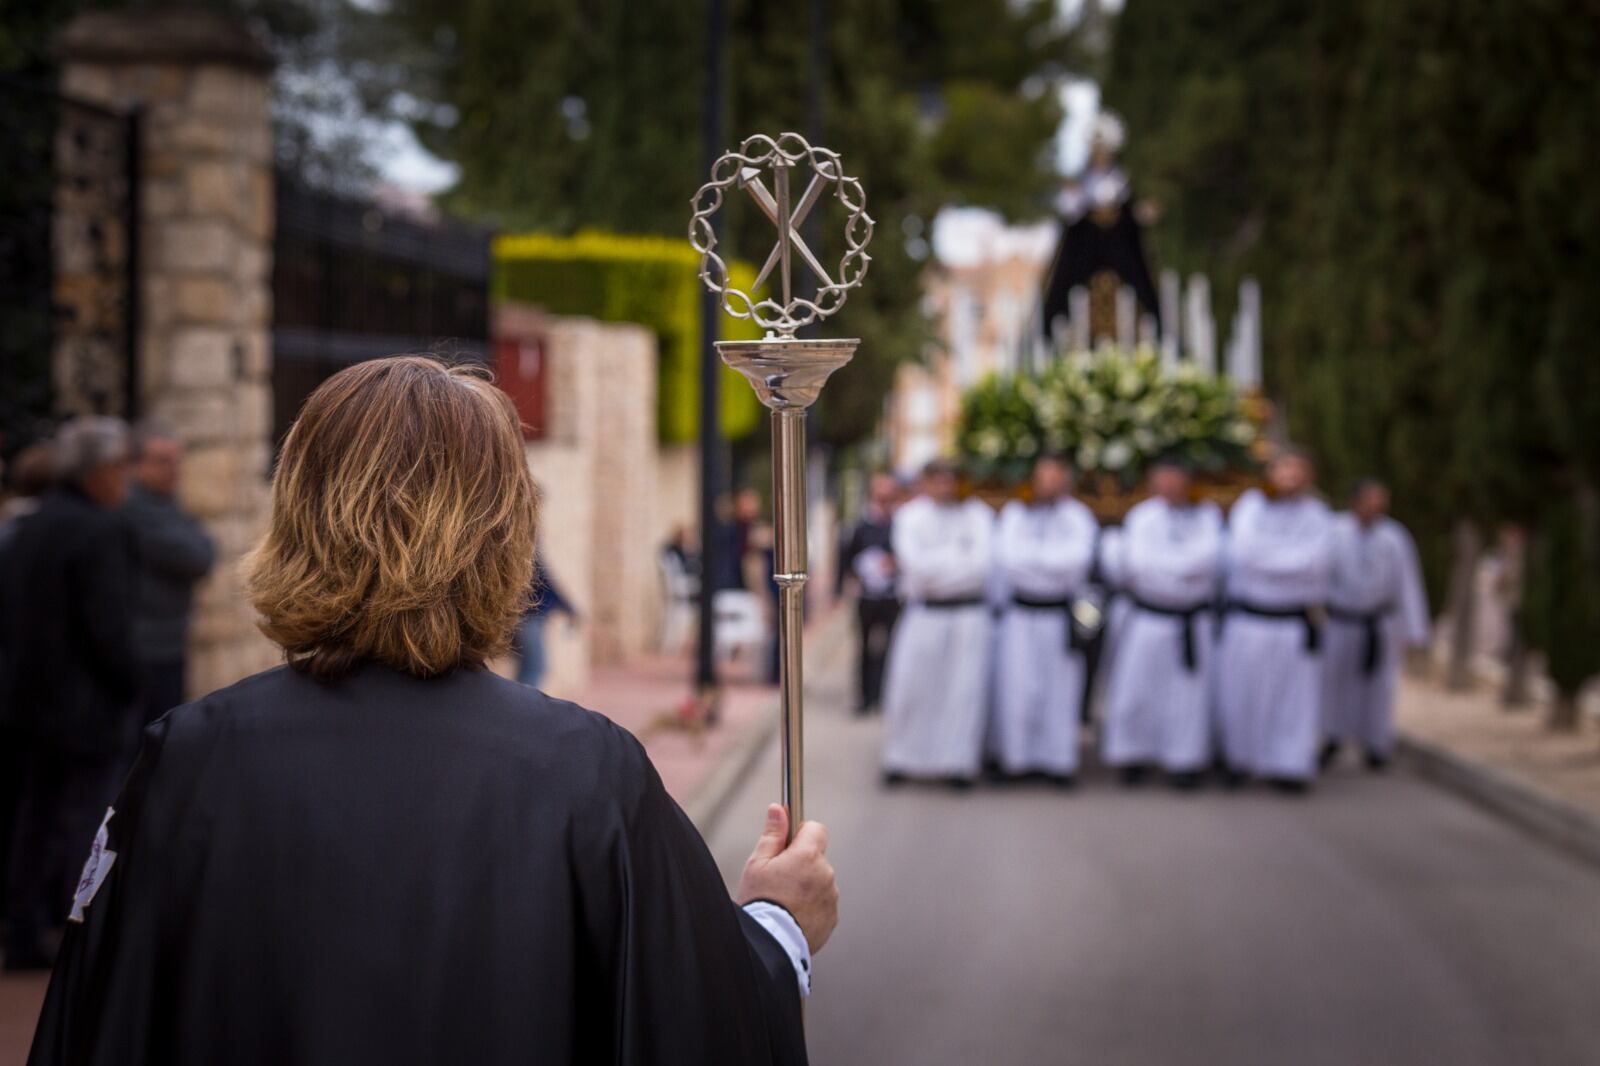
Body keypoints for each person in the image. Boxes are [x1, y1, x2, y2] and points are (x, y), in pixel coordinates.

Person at [27, 358, 831, 1065]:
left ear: (298, 512)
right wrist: (779, 925)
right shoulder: (586, 773)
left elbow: (99, 1021)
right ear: (503, 532)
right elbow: (691, 1014)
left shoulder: (191, 758)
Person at [0, 417, 137, 971]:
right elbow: (107, 629)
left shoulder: (33, 524)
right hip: (82, 704)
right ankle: (77, 928)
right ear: (101, 471)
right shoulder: (95, 530)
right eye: (121, 467)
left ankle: (26, 929)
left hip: (30, 700)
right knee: (85, 818)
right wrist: (132, 681)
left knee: (35, 817)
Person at [1214, 449, 1334, 792]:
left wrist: (1275, 564)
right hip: (1250, 621)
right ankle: (1240, 759)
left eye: (1297, 472)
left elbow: (1317, 561)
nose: (1289, 479)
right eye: (1284, 470)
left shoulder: (1317, 514)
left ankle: (1288, 764)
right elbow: (1246, 555)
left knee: (1292, 700)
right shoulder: (1251, 507)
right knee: (1243, 693)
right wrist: (1288, 564)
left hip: (1293, 623)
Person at [1100, 459, 1224, 788]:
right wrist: (1182, 572)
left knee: (1188, 694)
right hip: (1149, 618)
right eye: (1163, 480)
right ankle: (1133, 756)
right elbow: (1139, 565)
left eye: (1175, 479)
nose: (1169, 486)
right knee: (1138, 689)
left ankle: (1184, 760)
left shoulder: (1206, 515)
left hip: (1190, 621)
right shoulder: (1143, 517)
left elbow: (1209, 559)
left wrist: (1168, 570)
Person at [880, 460, 994, 789]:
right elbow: (914, 568)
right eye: (938, 480)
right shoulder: (910, 516)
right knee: (912, 688)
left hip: (968, 617)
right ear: (926, 483)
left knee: (963, 691)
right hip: (924, 614)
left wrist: (938, 566)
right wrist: (956, 558)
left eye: (951, 480)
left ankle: (957, 762)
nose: (945, 486)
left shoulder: (978, 515)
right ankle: (902, 757)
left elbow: (981, 568)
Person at [988, 456, 1098, 785]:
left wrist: (1037, 564)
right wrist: (1051, 565)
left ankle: (1058, 762)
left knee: (1060, 690)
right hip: (1021, 615)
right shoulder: (1015, 514)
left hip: (1059, 615)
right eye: (1042, 477)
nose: (1048, 484)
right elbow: (1009, 560)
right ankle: (1016, 760)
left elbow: (1077, 561)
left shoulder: (1077, 517)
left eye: (1055, 476)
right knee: (1018, 688)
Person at [1319, 479, 1431, 770]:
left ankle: (1376, 743)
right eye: (1369, 501)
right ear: (1355, 502)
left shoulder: (1394, 537)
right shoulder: (1333, 531)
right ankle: (1331, 737)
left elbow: (1407, 584)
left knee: (1379, 686)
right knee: (1334, 684)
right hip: (1340, 621)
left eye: (1380, 502)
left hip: (1378, 623)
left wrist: (1414, 630)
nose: (1374, 508)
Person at [121, 422, 215, 727]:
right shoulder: (134, 509)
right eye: (161, 461)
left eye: (176, 460)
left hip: (171, 641)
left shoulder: (168, 505)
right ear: (137, 465)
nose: (172, 469)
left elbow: (205, 548)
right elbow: (196, 555)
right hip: (143, 647)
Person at [839, 472, 901, 715]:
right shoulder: (861, 525)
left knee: (889, 646)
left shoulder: (899, 524)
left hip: (892, 595)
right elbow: (847, 557)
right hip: (866, 595)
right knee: (864, 646)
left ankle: (882, 694)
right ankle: (864, 695)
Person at [512, 553, 576, 690]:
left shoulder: (527, 556)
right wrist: (567, 607)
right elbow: (546, 585)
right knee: (535, 665)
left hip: (526, 618)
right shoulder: (528, 557)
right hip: (528, 618)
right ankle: (524, 705)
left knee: (529, 665)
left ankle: (521, 702)